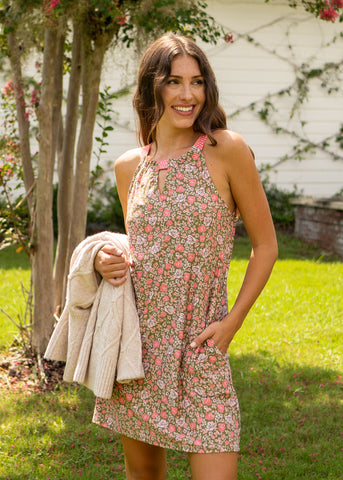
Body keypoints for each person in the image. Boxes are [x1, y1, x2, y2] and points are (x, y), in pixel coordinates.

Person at [92, 33, 278, 480]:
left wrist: (231, 323)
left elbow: (266, 246)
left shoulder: (226, 150)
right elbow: (143, 246)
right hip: (136, 351)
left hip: (200, 345)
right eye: (174, 81)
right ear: (151, 88)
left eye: (197, 82)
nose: (188, 94)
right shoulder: (128, 167)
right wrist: (104, 259)